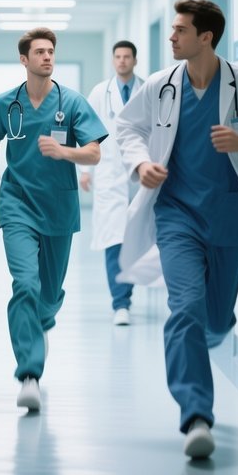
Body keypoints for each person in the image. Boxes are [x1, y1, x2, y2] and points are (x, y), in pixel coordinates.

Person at [116, 0, 238, 459]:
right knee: (185, 308)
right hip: (175, 215)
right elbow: (126, 128)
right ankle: (196, 415)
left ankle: (215, 329)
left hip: (229, 215)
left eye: (179, 31)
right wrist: (140, 164)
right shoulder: (160, 85)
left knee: (214, 318)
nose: (171, 38)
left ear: (206, 37)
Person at [0, 27, 107, 412]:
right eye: (39, 52)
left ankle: (42, 321)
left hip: (57, 208)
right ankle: (29, 374)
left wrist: (64, 152)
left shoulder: (72, 103)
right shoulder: (7, 103)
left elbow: (94, 154)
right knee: (25, 284)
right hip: (17, 204)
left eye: (51, 51)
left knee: (47, 295)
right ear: (24, 59)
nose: (47, 57)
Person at [79, 40, 144, 325]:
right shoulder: (99, 93)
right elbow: (85, 131)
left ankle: (128, 293)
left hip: (142, 176)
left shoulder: (149, 90)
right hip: (109, 176)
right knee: (113, 240)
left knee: (138, 240)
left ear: (134, 60)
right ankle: (121, 302)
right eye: (117, 57)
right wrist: (84, 169)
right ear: (113, 60)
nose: (121, 61)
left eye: (126, 57)